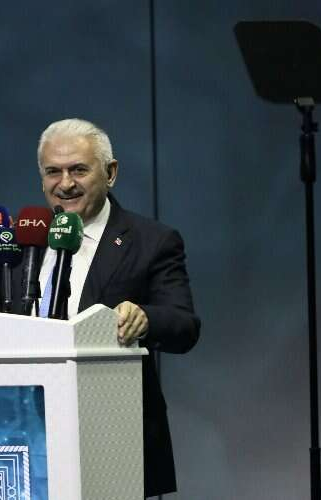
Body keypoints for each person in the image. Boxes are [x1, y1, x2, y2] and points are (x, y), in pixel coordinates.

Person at [32, 118, 201, 498]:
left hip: (112, 437)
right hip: (25, 433)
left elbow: (184, 325)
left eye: (78, 170)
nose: (65, 184)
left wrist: (145, 318)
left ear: (110, 173)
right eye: (53, 172)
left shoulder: (151, 241)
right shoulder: (24, 241)